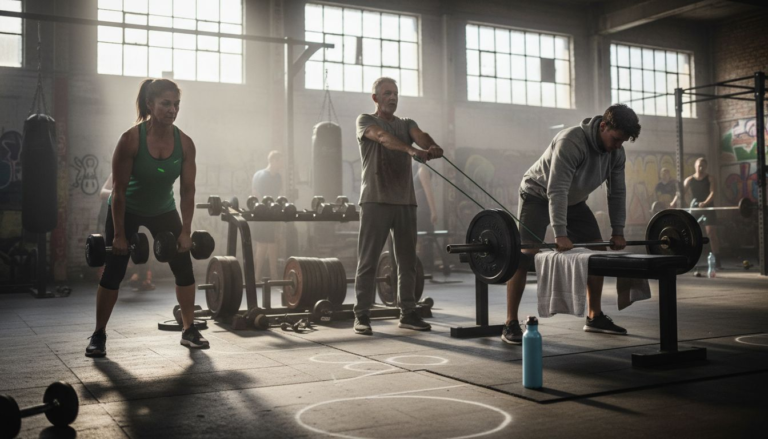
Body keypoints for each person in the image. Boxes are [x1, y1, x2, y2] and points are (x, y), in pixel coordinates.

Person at [86, 78, 207, 357]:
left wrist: (186, 231)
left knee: (184, 267)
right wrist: (118, 235)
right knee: (114, 271)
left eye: (176, 104)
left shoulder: (185, 144)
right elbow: (118, 192)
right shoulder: (131, 139)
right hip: (127, 209)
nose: (172, 110)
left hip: (164, 209)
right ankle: (98, 334)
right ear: (150, 104)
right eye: (166, 103)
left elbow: (188, 192)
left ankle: (188, 330)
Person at [502, 104, 641, 345]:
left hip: (574, 201)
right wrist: (560, 233)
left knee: (597, 251)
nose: (618, 145)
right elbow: (557, 189)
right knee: (524, 255)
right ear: (603, 126)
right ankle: (510, 322)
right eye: (617, 139)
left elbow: (617, 192)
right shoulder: (572, 141)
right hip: (537, 194)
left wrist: (618, 230)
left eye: (623, 141)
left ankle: (594, 316)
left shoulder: (617, 153)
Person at [353, 77, 443, 335]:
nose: (392, 98)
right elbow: (382, 138)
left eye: (395, 93)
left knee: (407, 261)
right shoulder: (365, 121)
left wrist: (431, 146)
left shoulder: (407, 124)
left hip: (405, 201)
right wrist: (412, 151)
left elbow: (420, 136)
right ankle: (362, 315)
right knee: (368, 260)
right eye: (386, 93)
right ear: (376, 98)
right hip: (375, 200)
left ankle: (408, 312)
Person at [98, 173, 155, 291]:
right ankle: (117, 277)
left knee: (143, 245)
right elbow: (102, 193)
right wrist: (118, 193)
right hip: (116, 217)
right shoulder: (116, 173)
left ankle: (142, 277)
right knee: (118, 248)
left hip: (136, 214)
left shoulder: (143, 173)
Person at [677, 157, 721, 268]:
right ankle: (688, 258)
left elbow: (713, 193)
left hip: (708, 208)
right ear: (695, 166)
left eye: (703, 166)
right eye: (698, 166)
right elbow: (680, 193)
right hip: (696, 208)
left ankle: (717, 259)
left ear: (706, 167)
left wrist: (705, 203)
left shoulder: (710, 178)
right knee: (688, 232)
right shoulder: (689, 180)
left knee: (711, 233)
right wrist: (673, 203)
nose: (700, 168)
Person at [251, 150, 283, 281]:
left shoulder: (278, 177)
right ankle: (256, 277)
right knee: (262, 245)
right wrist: (265, 209)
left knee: (273, 243)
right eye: (280, 161)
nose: (282, 164)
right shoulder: (260, 175)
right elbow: (255, 193)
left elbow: (279, 194)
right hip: (262, 215)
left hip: (272, 215)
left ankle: (273, 276)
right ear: (273, 160)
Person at [413, 161, 438, 270]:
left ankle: (424, 265)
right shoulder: (420, 169)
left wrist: (433, 211)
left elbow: (428, 191)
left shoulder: (419, 170)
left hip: (421, 208)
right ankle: (424, 265)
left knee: (423, 238)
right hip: (421, 208)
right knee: (424, 237)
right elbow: (427, 190)